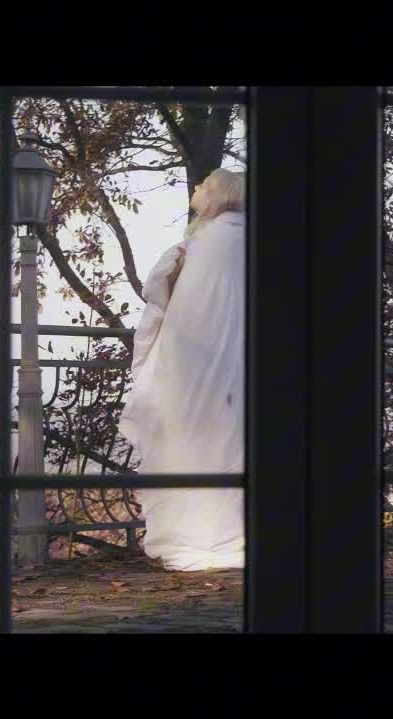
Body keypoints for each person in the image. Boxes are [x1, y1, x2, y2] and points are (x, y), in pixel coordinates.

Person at [118, 168, 245, 571]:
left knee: (188, 445)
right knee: (230, 445)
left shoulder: (203, 242)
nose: (196, 188)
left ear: (220, 195)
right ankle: (230, 534)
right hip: (236, 366)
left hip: (191, 365)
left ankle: (194, 537)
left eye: (204, 185)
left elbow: (163, 297)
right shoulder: (249, 240)